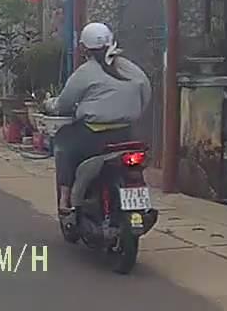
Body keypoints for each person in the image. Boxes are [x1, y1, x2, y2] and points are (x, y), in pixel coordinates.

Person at [45, 22, 152, 220]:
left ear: (84, 48)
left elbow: (64, 103)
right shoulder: (131, 69)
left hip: (93, 137)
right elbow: (146, 95)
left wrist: (50, 104)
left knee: (64, 144)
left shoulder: (86, 72)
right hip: (127, 135)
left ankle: (65, 199)